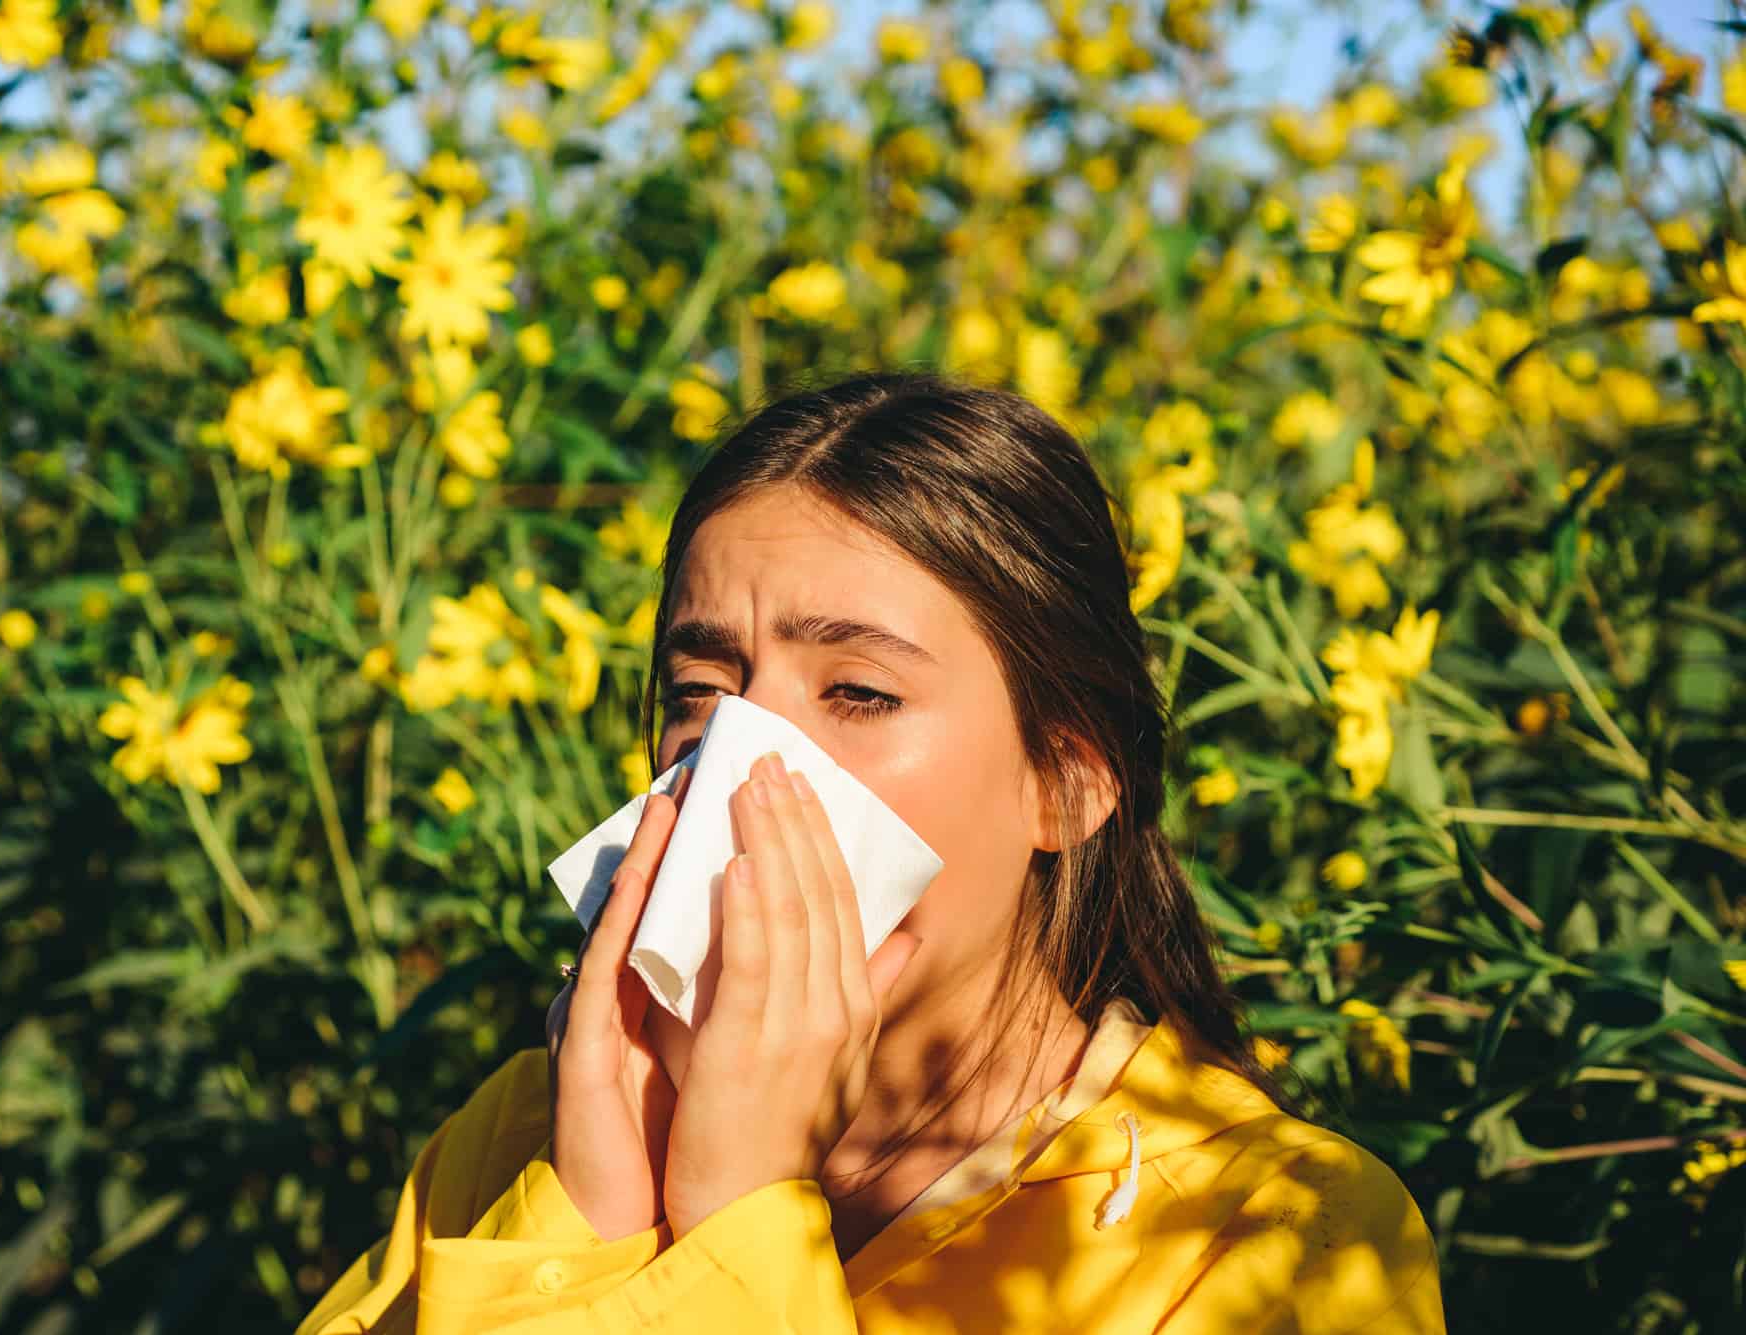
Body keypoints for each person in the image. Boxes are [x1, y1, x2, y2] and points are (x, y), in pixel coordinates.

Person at [296, 373, 1447, 1334]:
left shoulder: (1275, 1232)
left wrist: (741, 1220)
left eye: (857, 691)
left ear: (1065, 782)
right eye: (698, 692)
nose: (741, 762)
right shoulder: (541, 1119)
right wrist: (586, 1218)